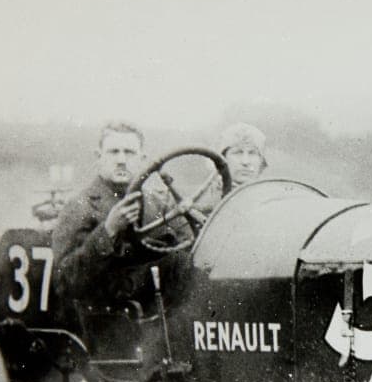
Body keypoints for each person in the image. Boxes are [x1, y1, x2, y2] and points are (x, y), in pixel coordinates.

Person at [52, 121, 192, 310]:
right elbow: (65, 283)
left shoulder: (160, 204)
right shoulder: (79, 206)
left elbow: (189, 250)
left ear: (143, 159)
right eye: (113, 152)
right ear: (98, 157)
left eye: (129, 152)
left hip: (163, 315)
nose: (121, 160)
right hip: (106, 320)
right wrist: (108, 231)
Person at [217, 121, 267, 190]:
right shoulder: (205, 198)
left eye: (252, 153)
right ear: (223, 158)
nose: (245, 162)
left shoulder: (273, 197)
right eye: (238, 153)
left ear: (261, 161)